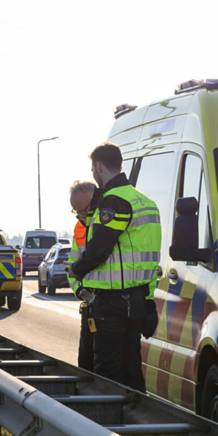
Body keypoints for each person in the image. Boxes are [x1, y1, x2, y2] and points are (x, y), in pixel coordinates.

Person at [68, 143, 161, 392]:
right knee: (131, 370)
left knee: (107, 374)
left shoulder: (114, 201)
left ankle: (107, 429)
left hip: (111, 303)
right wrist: (149, 301)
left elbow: (100, 248)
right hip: (137, 300)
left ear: (99, 167)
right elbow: (149, 263)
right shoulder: (146, 202)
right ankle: (136, 427)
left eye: (93, 169)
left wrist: (76, 270)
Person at [65, 180, 101, 371]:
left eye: (83, 211)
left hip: (108, 305)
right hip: (89, 307)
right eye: (75, 211)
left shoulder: (106, 227)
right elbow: (71, 267)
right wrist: (79, 290)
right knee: (86, 364)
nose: (79, 216)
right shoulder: (79, 229)